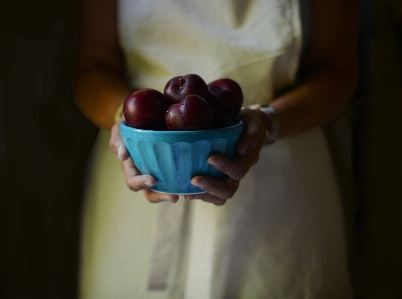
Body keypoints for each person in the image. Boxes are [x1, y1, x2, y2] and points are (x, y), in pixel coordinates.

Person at [74, 0, 360, 298]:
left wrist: (267, 121)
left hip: (279, 184)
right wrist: (124, 123)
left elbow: (337, 68)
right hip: (140, 172)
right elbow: (93, 65)